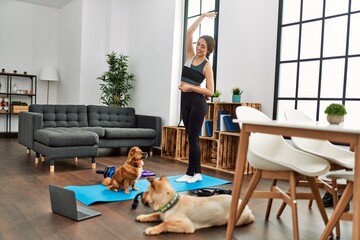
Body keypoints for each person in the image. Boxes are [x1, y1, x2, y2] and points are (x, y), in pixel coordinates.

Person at [176, 12, 217, 183]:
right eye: (199, 44)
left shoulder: (207, 66)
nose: (199, 48)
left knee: (193, 138)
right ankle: (197, 173)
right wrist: (202, 16)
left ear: (208, 51)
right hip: (185, 101)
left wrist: (191, 87)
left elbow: (211, 91)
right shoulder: (189, 56)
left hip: (198, 103)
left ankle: (190, 173)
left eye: (203, 47)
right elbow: (188, 33)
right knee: (191, 137)